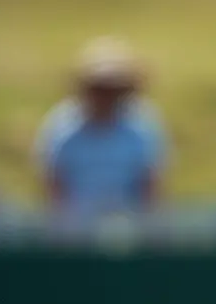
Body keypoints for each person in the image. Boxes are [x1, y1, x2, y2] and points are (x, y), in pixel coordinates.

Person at [34, 37, 168, 218]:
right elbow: (52, 186)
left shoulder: (143, 126)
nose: (106, 96)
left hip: (128, 228)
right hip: (74, 230)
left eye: (113, 89)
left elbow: (151, 188)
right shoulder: (61, 127)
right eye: (99, 88)